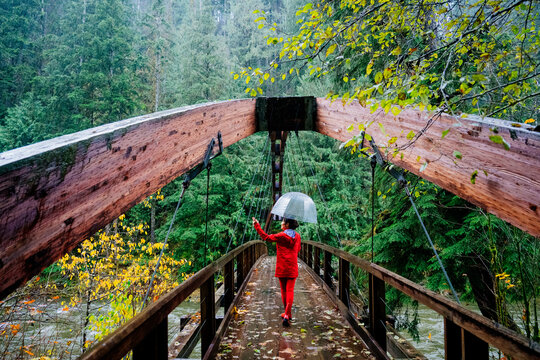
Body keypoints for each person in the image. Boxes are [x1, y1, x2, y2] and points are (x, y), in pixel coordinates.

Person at [252, 216, 301, 327]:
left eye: (283, 221)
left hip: (282, 267)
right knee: (290, 291)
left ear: (287, 224)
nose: (281, 223)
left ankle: (286, 314)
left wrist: (256, 225)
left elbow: (266, 237)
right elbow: (298, 249)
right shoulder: (297, 236)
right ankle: (288, 314)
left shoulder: (281, 236)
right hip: (292, 267)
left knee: (284, 291)